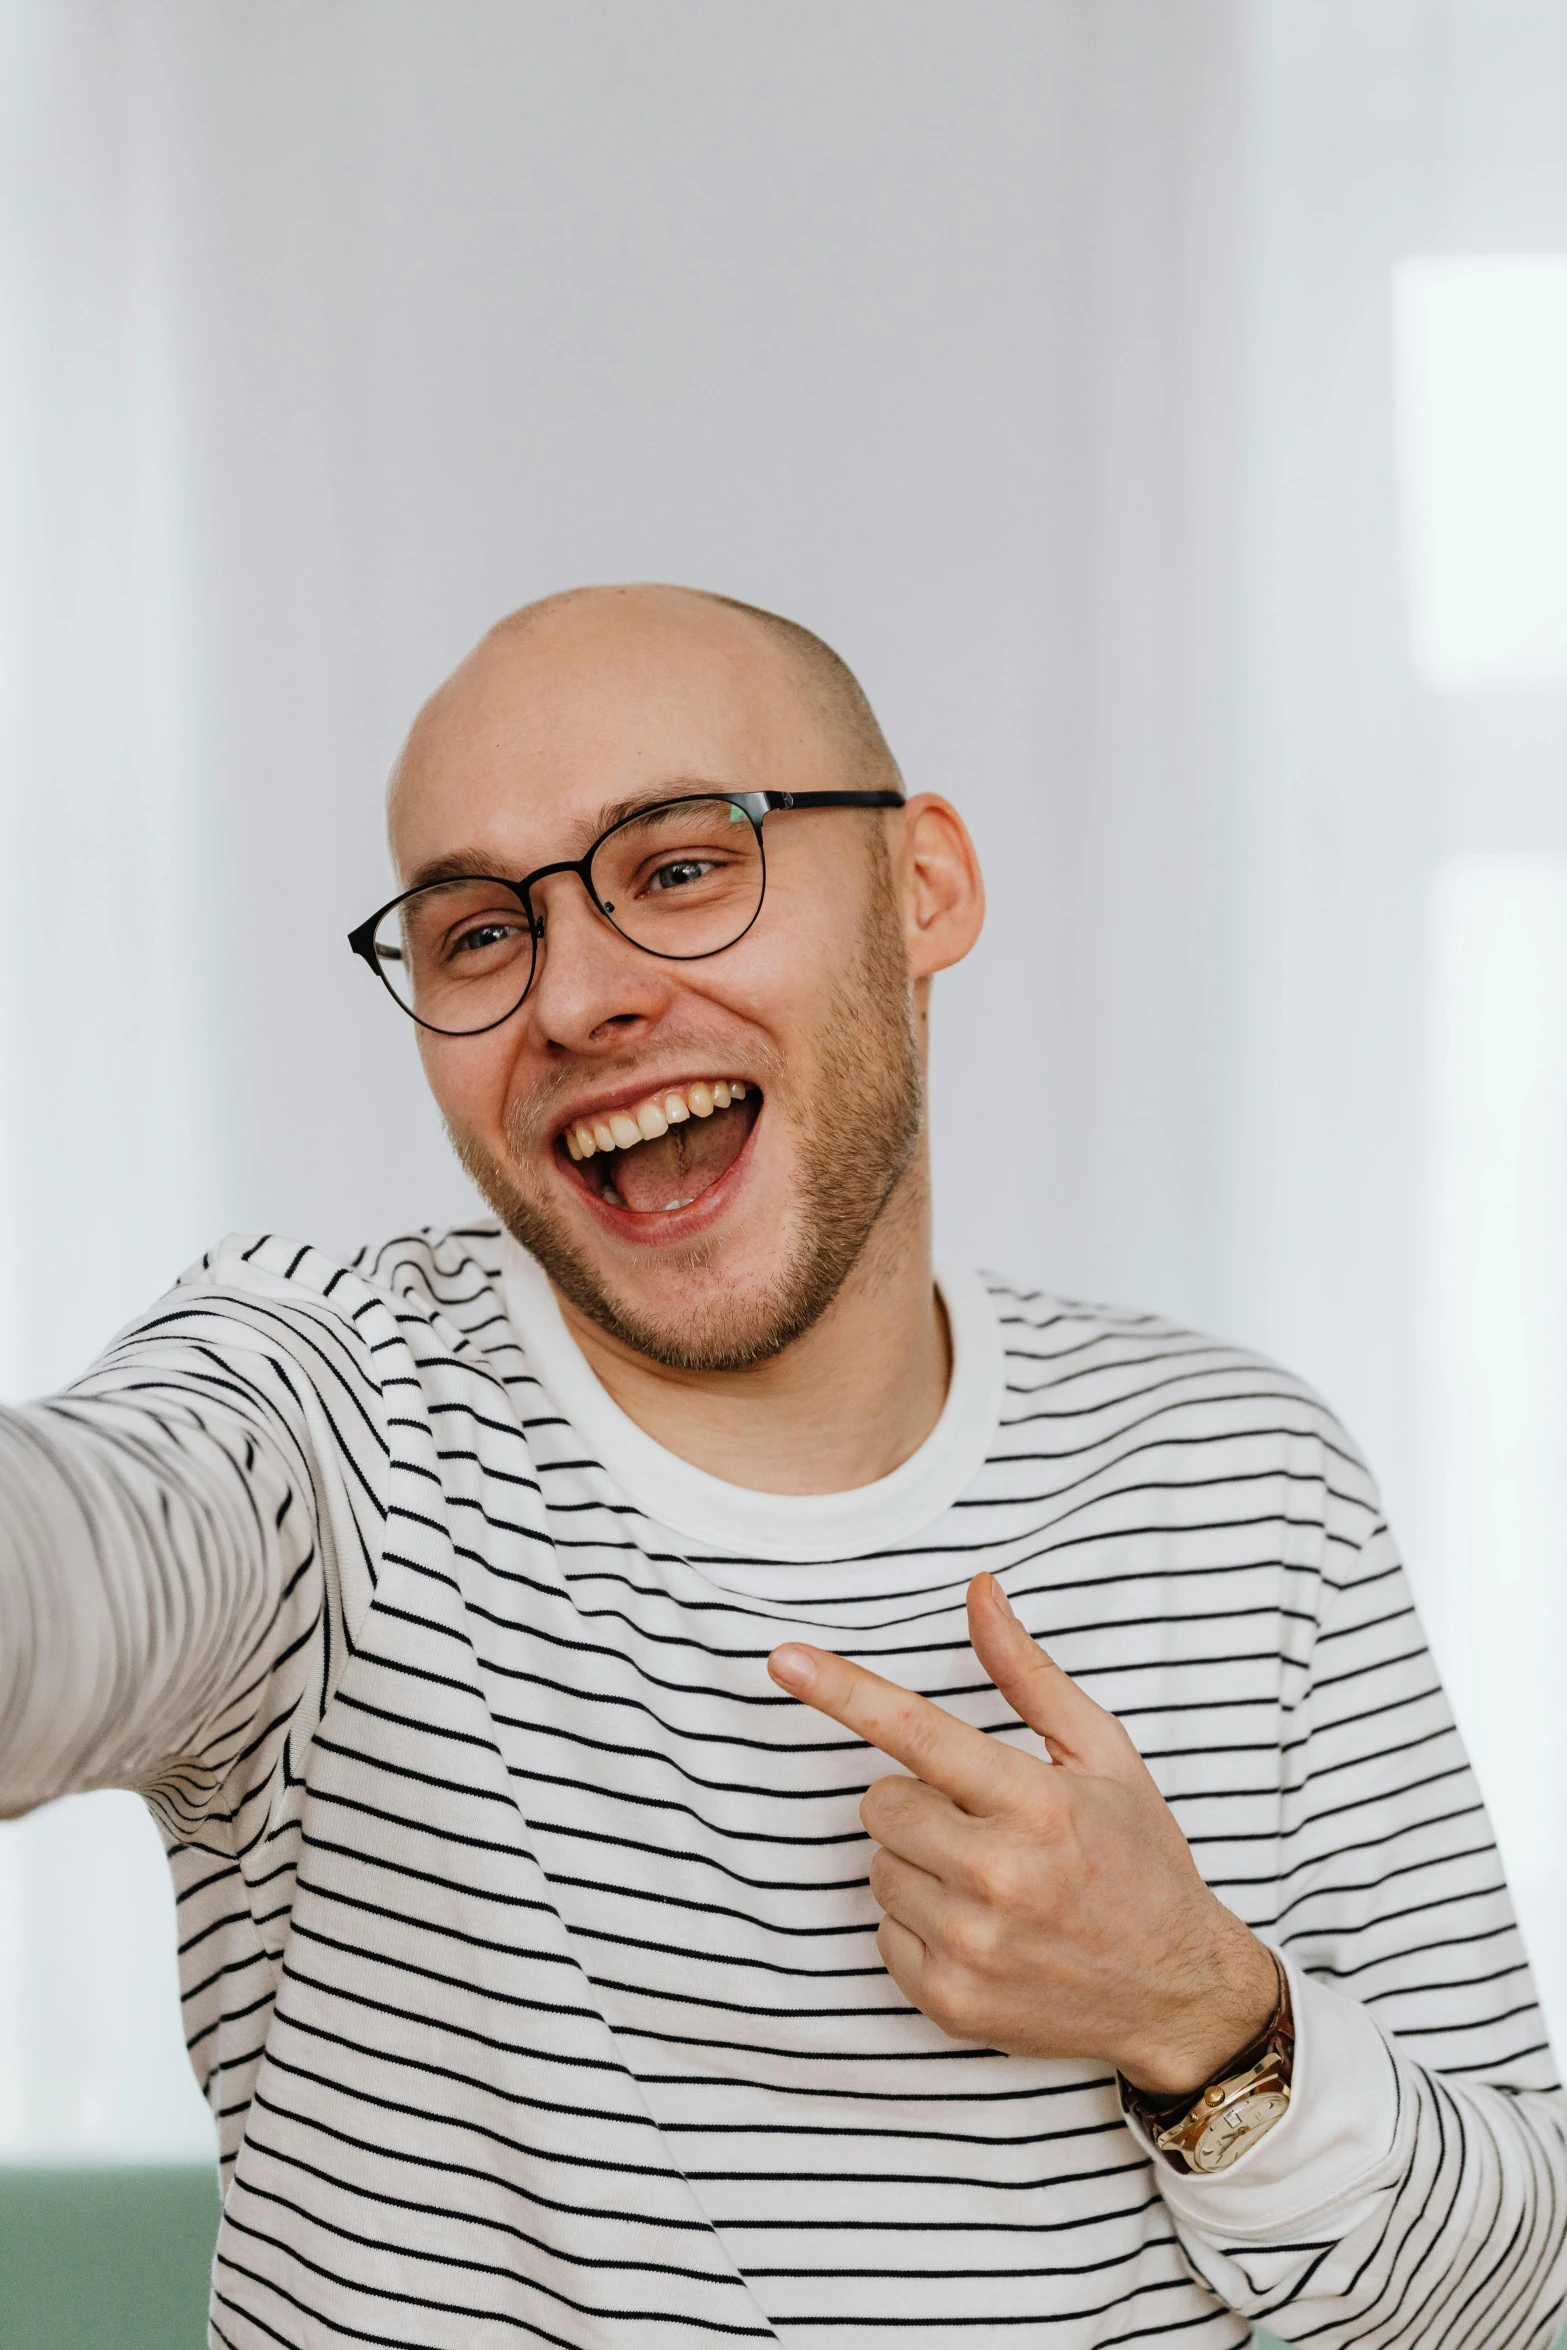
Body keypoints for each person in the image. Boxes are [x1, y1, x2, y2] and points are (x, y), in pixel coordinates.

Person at [1, 583, 1562, 2350]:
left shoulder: (1241, 1477)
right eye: (476, 936)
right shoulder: (325, 1414)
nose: (578, 997)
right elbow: (76, 1550)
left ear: (923, 888)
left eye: (677, 867)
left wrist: (1194, 2003)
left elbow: (1503, 2309)